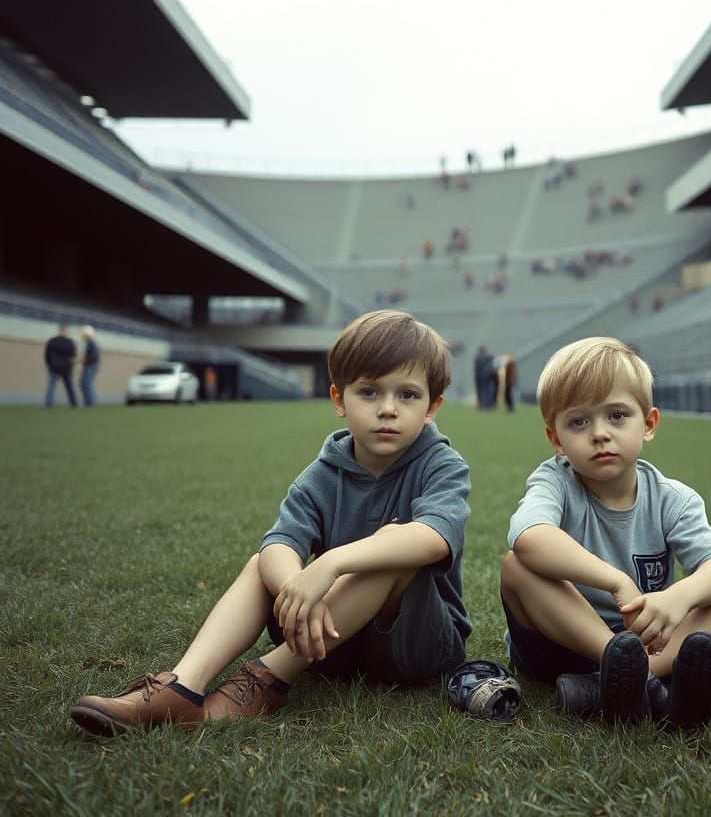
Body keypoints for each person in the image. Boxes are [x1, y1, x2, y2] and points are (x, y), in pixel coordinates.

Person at [69, 310, 471, 735]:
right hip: (329, 640)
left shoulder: (441, 464)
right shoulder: (322, 473)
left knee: (394, 545)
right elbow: (282, 542)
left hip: (415, 646)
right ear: (339, 400)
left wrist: (330, 564)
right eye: (369, 392)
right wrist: (297, 590)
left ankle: (266, 678)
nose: (388, 409)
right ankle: (183, 685)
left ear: (432, 406)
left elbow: (434, 538)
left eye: (407, 395)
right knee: (262, 559)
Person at [500, 337, 711, 728]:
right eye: (579, 422)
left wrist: (678, 597)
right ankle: (647, 684)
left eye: (616, 415)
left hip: (645, 642)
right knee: (516, 567)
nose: (599, 433)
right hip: (560, 642)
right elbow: (528, 535)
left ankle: (615, 686)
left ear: (648, 424)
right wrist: (615, 580)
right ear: (557, 440)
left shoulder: (673, 499)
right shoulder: (555, 481)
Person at [44, 324, 77, 408]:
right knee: (69, 386)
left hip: (55, 367)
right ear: (65, 331)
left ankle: (49, 404)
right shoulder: (69, 342)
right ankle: (74, 404)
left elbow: (47, 355)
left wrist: (49, 364)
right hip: (66, 368)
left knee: (52, 386)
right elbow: (73, 355)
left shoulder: (52, 341)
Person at [79, 325, 101, 407]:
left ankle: (90, 403)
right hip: (90, 366)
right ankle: (89, 402)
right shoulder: (89, 344)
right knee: (84, 384)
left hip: (91, 366)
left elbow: (94, 356)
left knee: (86, 384)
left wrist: (83, 360)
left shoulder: (92, 344)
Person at [474, 345, 494, 409]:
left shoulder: (478, 358)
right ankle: (487, 405)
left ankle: (482, 406)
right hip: (486, 378)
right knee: (487, 391)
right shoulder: (488, 357)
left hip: (480, 378)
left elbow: (476, 369)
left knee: (482, 392)